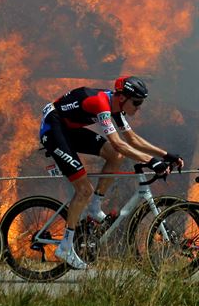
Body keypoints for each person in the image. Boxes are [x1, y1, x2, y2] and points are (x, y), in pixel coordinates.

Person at [39, 76, 184, 269]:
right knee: (84, 190)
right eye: (137, 102)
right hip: (53, 128)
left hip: (68, 129)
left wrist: (165, 155)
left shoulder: (116, 106)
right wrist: (151, 161)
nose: (139, 108)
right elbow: (118, 142)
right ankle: (65, 247)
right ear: (123, 97)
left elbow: (131, 139)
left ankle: (94, 208)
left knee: (115, 156)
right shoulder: (102, 103)